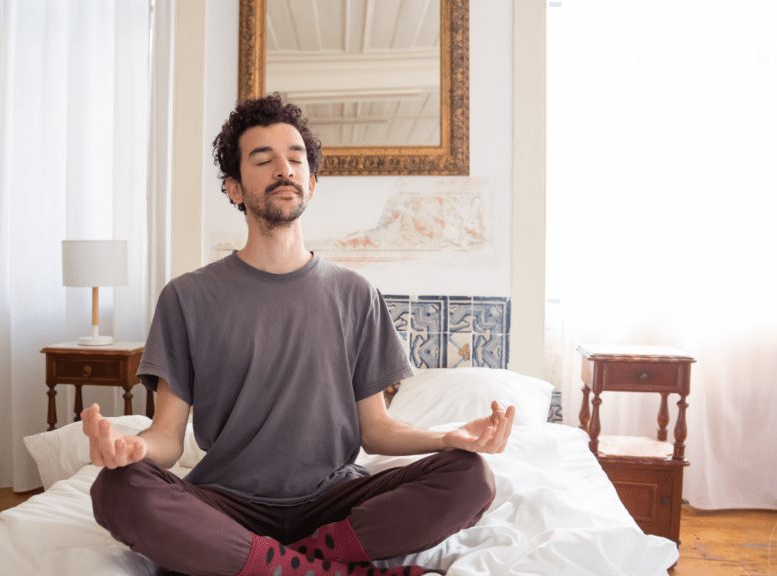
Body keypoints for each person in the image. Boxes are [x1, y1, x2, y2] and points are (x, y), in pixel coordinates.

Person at [85, 94, 515, 576]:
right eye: (263, 159)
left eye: (295, 159)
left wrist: (446, 438)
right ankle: (312, 569)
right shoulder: (187, 297)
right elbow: (167, 435)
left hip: (334, 502)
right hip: (228, 504)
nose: (283, 169)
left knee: (470, 475)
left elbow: (375, 430)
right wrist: (135, 450)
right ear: (234, 189)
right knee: (116, 488)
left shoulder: (356, 294)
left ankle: (277, 563)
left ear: (311, 183)